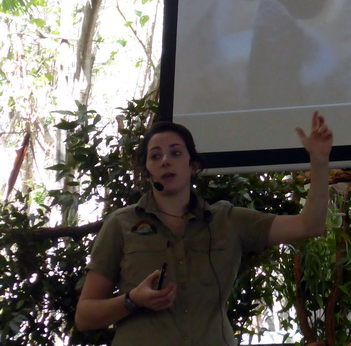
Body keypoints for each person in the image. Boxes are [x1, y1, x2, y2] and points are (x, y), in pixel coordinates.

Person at [74, 110, 334, 344]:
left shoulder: (227, 220)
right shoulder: (121, 223)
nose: (165, 160)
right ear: (147, 171)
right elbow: (84, 317)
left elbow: (309, 225)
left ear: (193, 165)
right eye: (156, 156)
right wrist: (132, 300)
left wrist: (320, 162)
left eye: (176, 152)